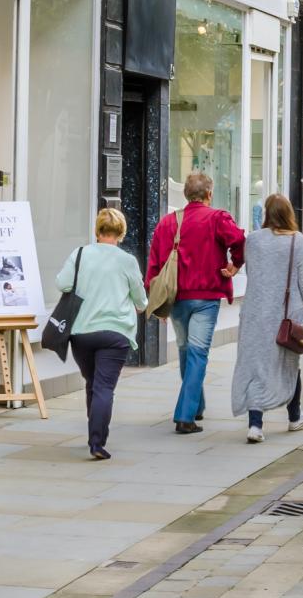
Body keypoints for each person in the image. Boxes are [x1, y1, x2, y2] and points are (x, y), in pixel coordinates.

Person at [145, 172, 245, 434]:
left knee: (186, 352)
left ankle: (196, 405)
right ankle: (185, 416)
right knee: (198, 354)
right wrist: (235, 265)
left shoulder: (167, 223)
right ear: (209, 193)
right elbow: (239, 240)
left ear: (186, 194)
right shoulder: (217, 218)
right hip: (205, 297)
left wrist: (156, 301)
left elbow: (154, 263)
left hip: (177, 299)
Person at [61, 208, 148, 461]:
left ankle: (94, 432)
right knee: (104, 387)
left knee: (93, 383)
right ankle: (97, 442)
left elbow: (62, 283)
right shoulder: (127, 261)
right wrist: (140, 305)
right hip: (115, 333)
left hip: (82, 332)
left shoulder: (80, 255)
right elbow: (140, 300)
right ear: (121, 233)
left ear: (97, 231)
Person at [233, 195, 303, 443]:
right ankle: (294, 416)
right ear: (289, 213)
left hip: (256, 311)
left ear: (266, 213)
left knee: (257, 364)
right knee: (289, 363)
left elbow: (253, 273)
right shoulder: (296, 241)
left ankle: (255, 425)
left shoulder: (254, 240)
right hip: (286, 314)